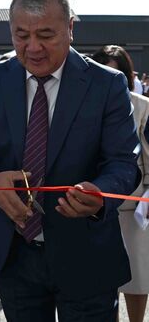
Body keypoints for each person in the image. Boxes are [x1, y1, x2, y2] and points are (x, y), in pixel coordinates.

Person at [0, 0, 140, 321]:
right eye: (21, 35)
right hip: (15, 252)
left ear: (70, 28)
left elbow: (124, 163)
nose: (33, 47)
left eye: (45, 35)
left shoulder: (106, 84)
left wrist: (100, 195)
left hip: (86, 253)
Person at [91, 45, 149, 322]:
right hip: (94, 204)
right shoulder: (84, 104)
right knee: (101, 281)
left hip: (134, 206)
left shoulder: (142, 105)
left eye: (115, 73)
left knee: (137, 276)